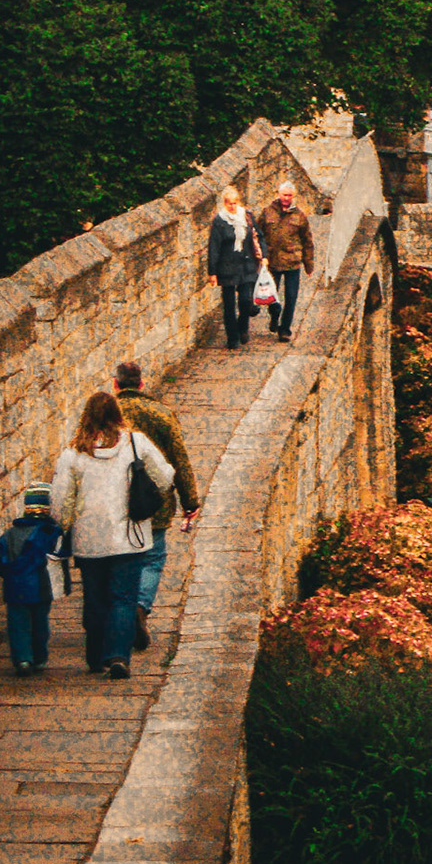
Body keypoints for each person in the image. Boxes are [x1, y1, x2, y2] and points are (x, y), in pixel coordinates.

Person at [51, 391, 176, 679]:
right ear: (117, 414)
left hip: (88, 539)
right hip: (129, 537)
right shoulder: (135, 443)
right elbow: (165, 477)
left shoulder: (73, 453)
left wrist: (64, 525)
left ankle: (96, 657)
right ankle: (119, 656)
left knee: (94, 597)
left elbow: (60, 499)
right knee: (124, 597)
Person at [114, 362, 203, 653]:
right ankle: (140, 606)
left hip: (114, 499)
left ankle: (118, 613)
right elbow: (179, 459)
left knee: (119, 558)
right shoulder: (161, 413)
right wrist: (190, 501)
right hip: (154, 500)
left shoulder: (108, 416)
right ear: (141, 384)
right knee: (152, 558)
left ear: (116, 384)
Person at [0, 483, 65, 676]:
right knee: (40, 625)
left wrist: (10, 575)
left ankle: (22, 659)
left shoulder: (9, 534)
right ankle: (39, 658)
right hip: (41, 587)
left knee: (18, 624)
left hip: (15, 588)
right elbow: (60, 554)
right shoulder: (50, 532)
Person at [207, 184, 266, 349]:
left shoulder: (246, 216)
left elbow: (258, 236)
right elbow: (214, 247)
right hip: (226, 266)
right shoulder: (220, 221)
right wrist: (212, 272)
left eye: (234, 203)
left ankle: (243, 328)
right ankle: (232, 337)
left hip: (246, 264)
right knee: (229, 304)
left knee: (246, 300)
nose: (232, 206)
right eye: (229, 203)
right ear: (224, 204)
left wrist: (264, 255)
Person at [258, 181, 315, 343]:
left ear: (293, 196)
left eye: (289, 195)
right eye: (284, 195)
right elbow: (258, 234)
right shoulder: (267, 212)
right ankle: (275, 315)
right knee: (271, 295)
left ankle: (285, 329)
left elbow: (307, 241)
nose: (286, 198)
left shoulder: (299, 216)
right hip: (272, 261)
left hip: (292, 262)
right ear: (279, 194)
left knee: (291, 297)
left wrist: (309, 265)